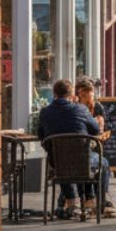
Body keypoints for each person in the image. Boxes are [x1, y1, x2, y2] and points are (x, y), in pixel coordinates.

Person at [37, 79, 107, 220]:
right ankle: (94, 202)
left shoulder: (45, 112)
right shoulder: (81, 109)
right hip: (82, 161)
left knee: (63, 162)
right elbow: (95, 130)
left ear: (54, 94)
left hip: (57, 163)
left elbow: (41, 135)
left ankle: (71, 201)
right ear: (71, 94)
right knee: (103, 163)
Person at [74, 77, 116, 217]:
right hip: (78, 149)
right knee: (99, 163)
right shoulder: (76, 108)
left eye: (93, 92)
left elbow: (99, 129)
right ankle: (96, 200)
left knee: (94, 157)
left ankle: (95, 198)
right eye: (90, 92)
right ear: (81, 93)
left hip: (92, 145)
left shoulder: (97, 107)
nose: (93, 95)